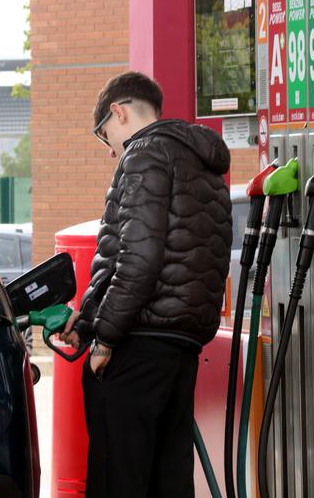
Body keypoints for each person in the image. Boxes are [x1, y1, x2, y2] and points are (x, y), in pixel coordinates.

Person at [61, 71, 233, 497]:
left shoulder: (143, 154)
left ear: (117, 112)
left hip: (137, 342)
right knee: (168, 479)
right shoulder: (203, 165)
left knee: (119, 477)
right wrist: (85, 323)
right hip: (181, 344)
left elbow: (137, 259)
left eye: (106, 138)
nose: (110, 152)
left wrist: (104, 340)